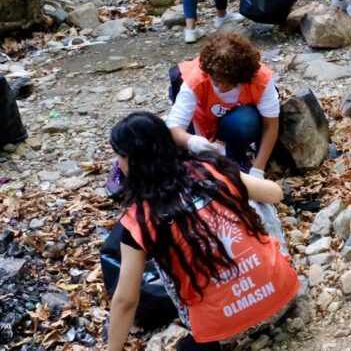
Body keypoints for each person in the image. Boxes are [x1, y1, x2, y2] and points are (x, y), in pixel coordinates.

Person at [106, 112, 299, 351]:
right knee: (253, 199)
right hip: (281, 297)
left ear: (130, 160)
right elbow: (275, 193)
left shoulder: (138, 219)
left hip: (221, 333)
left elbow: (126, 300)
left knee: (164, 246)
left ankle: (207, 321)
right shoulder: (210, 168)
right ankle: (270, 271)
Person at [163, 32, 279, 177]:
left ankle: (236, 156)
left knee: (245, 120)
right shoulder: (197, 78)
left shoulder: (260, 79)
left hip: (235, 122)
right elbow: (173, 127)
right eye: (216, 81)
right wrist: (192, 141)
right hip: (200, 120)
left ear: (240, 79)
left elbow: (271, 125)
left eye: (227, 84)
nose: (220, 87)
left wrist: (258, 169)